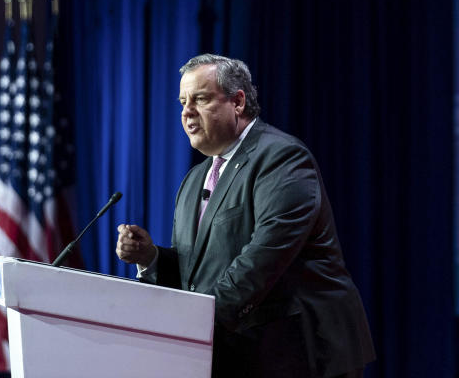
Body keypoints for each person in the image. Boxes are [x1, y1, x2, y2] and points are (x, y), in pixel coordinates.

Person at [116, 54, 374, 377]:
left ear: (238, 102)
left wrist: (194, 322)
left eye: (200, 99)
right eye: (182, 102)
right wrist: (151, 258)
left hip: (300, 355)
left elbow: (262, 260)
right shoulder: (194, 180)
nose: (186, 112)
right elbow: (194, 275)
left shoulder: (282, 159)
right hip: (236, 354)